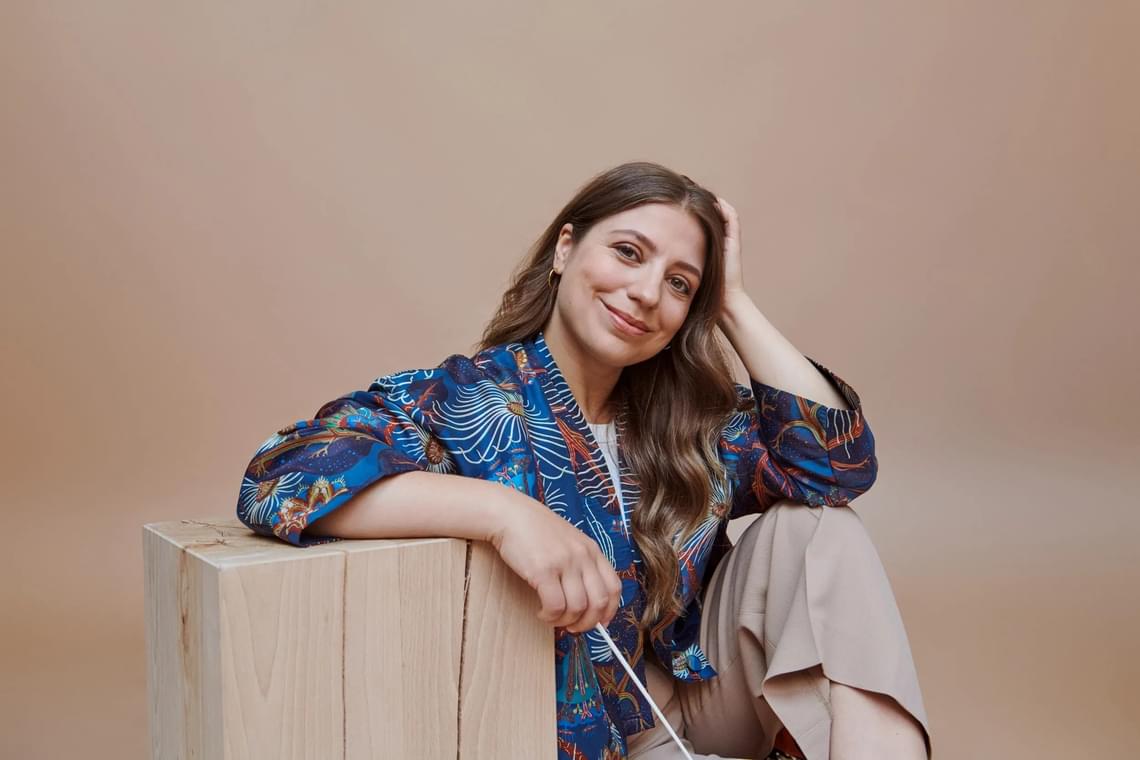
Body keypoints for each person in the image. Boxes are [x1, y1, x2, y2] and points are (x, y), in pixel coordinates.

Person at [235, 161, 933, 760]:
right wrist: (504, 514)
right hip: (581, 740)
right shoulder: (466, 400)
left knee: (821, 530)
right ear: (565, 248)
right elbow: (280, 478)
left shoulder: (692, 424)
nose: (647, 292)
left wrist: (732, 303)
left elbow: (834, 466)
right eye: (628, 253)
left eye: (680, 284)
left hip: (699, 697)